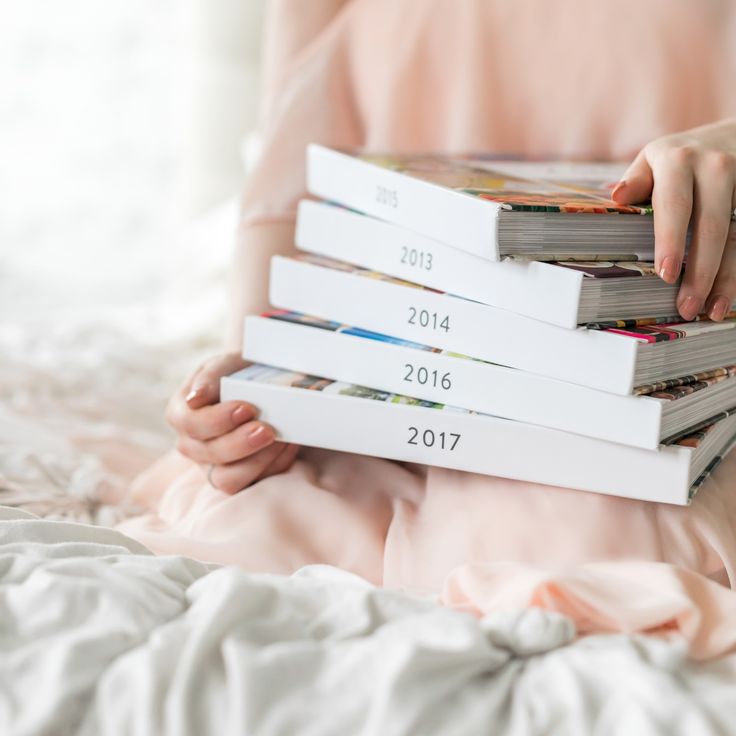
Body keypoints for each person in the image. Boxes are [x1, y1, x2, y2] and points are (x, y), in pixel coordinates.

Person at [119, 0, 736, 614]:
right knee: (241, 544)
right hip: (372, 415)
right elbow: (290, 191)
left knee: (593, 548)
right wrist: (257, 373)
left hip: (657, 415)